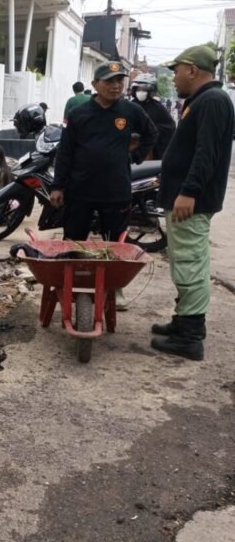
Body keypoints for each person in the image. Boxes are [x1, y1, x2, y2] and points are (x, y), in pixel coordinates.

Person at [151, 45, 234, 361]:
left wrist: (188, 191)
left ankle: (189, 337)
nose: (173, 77)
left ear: (191, 70)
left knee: (190, 265)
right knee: (184, 261)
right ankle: (182, 321)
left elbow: (206, 152)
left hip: (192, 201)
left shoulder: (212, 101)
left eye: (175, 71)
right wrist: (171, 180)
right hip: (185, 195)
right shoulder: (204, 100)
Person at [50, 61, 158, 243]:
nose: (116, 86)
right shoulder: (78, 114)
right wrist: (57, 186)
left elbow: (151, 133)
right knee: (73, 243)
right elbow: (65, 151)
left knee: (115, 244)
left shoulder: (131, 110)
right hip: (80, 190)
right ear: (95, 84)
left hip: (115, 191)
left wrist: (135, 156)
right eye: (109, 81)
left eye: (119, 81)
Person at [130, 74, 176, 159]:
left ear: (150, 91)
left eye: (144, 90)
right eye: (139, 89)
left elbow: (170, 127)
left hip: (150, 150)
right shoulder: (130, 106)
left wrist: (150, 130)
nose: (141, 92)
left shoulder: (158, 108)